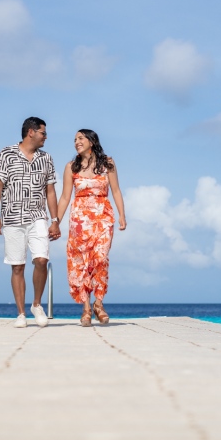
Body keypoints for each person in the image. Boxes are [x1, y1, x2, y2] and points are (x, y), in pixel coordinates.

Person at [0, 117, 61, 328]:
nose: (46, 137)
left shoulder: (46, 158)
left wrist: (55, 220)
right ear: (31, 132)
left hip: (38, 216)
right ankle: (21, 313)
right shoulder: (6, 153)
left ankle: (36, 304)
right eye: (43, 133)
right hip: (12, 218)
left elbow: (50, 190)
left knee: (41, 260)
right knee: (18, 266)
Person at [57, 129, 126, 327]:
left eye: (80, 138)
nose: (76, 142)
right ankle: (86, 308)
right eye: (74, 140)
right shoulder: (71, 167)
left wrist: (122, 215)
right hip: (79, 218)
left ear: (92, 141)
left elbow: (116, 190)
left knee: (101, 258)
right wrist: (56, 222)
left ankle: (99, 303)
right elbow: (64, 197)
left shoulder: (108, 164)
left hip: (103, 216)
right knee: (80, 262)